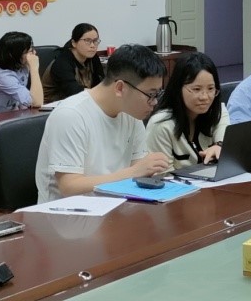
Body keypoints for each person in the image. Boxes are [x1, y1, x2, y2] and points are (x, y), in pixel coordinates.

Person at [35, 44, 173, 202]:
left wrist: (149, 169)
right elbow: (69, 187)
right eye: (151, 94)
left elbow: (139, 170)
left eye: (158, 94)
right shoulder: (71, 114)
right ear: (120, 88)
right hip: (67, 211)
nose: (154, 102)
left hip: (116, 204)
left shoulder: (132, 114)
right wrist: (134, 172)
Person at [145, 52, 230, 168]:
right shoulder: (161, 125)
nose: (205, 97)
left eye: (211, 89)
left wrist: (219, 145)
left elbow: (225, 133)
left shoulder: (216, 111)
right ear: (178, 88)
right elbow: (161, 175)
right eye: (196, 89)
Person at [0, 31, 44, 113]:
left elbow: (24, 102)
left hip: (10, 115)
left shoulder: (22, 67)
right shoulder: (2, 75)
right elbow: (36, 102)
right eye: (30, 51)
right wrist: (34, 69)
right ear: (14, 55)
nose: (34, 53)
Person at [40, 23, 105, 102]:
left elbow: (100, 83)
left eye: (95, 41)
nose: (93, 45)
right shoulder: (62, 62)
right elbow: (73, 91)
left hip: (81, 101)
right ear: (74, 43)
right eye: (87, 41)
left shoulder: (93, 57)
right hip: (53, 104)